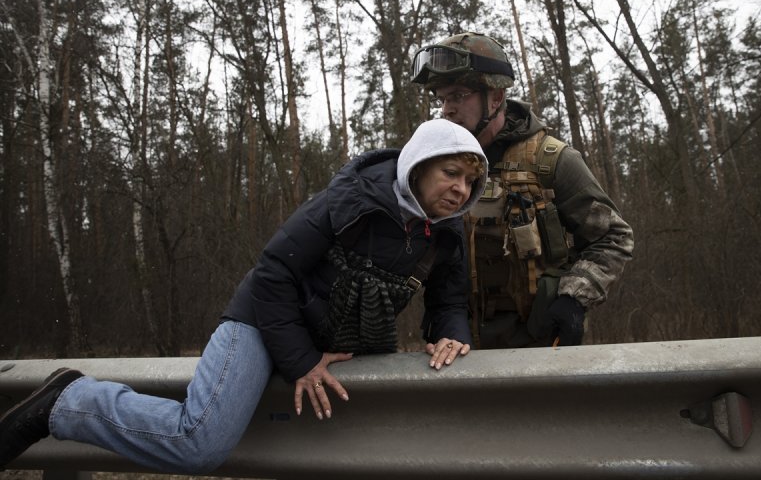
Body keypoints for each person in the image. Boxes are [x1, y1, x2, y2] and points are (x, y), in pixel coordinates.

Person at [0, 119, 488, 474]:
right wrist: (300, 361)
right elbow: (273, 270)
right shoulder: (350, 199)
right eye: (450, 173)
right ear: (417, 167)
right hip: (260, 323)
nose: (460, 190)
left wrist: (450, 334)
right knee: (199, 444)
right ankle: (70, 400)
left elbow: (448, 299)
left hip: (336, 343)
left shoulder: (443, 234)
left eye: (469, 181)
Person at [411, 32, 634, 349]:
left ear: (496, 97)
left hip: (537, 349)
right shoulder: (434, 167)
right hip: (454, 350)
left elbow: (613, 237)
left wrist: (573, 299)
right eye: (442, 98)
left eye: (459, 95)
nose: (447, 109)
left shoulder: (551, 161)